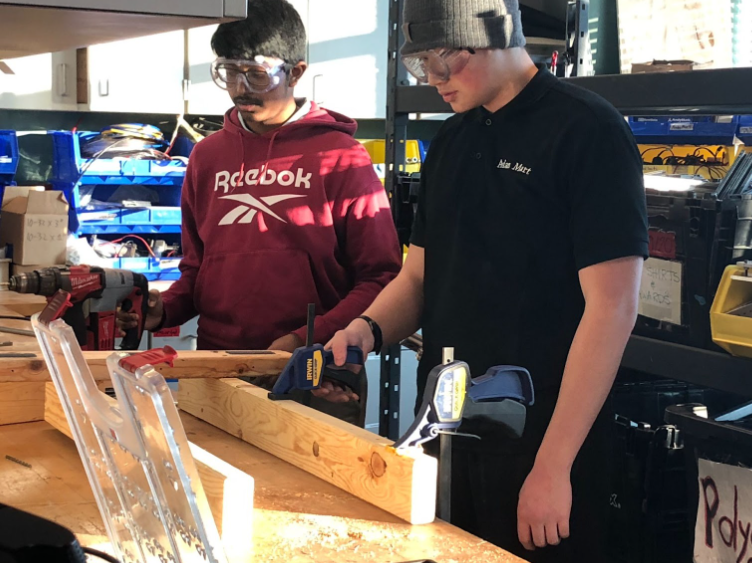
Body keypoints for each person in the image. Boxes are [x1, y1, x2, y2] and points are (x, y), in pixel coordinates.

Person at [327, 0, 648, 560]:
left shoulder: (586, 129)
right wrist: (367, 329)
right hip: (448, 428)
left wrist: (553, 467)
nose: (433, 80)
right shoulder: (450, 141)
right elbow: (419, 276)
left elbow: (613, 308)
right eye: (421, 65)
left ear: (494, 36)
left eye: (444, 61)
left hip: (542, 435)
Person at [121, 0, 401, 386]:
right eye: (228, 72)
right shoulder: (207, 156)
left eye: (256, 74)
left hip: (315, 369)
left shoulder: (341, 157)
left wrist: (303, 340)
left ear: (296, 72)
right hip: (216, 365)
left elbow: (381, 277)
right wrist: (163, 309)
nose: (240, 88)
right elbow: (196, 269)